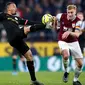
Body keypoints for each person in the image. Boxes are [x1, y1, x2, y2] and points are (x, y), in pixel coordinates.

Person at [0, 2, 51, 85]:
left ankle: (33, 80)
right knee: (26, 29)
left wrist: (42, 23)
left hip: (18, 39)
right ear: (9, 8)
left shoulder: (17, 18)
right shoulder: (3, 15)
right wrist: (45, 26)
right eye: (14, 6)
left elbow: (29, 22)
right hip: (13, 36)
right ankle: (47, 26)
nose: (16, 8)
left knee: (30, 56)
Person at [53, 5, 83, 85]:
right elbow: (55, 19)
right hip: (63, 41)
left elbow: (77, 34)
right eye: (68, 12)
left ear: (75, 12)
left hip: (74, 42)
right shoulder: (61, 16)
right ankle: (66, 72)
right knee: (66, 55)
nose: (69, 14)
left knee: (80, 64)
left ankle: (75, 80)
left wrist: (69, 32)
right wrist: (55, 24)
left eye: (71, 12)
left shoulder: (78, 21)